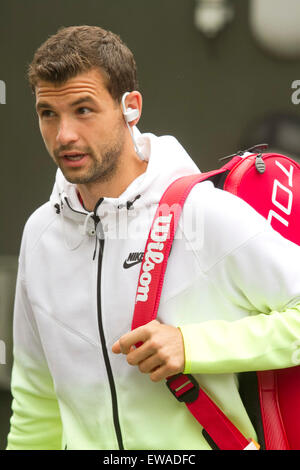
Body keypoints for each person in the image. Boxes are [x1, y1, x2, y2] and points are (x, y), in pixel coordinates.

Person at [6, 25, 300, 450]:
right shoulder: (40, 234)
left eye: (83, 109)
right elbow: (36, 403)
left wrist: (191, 345)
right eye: (48, 113)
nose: (63, 134)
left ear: (131, 107)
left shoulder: (204, 213)